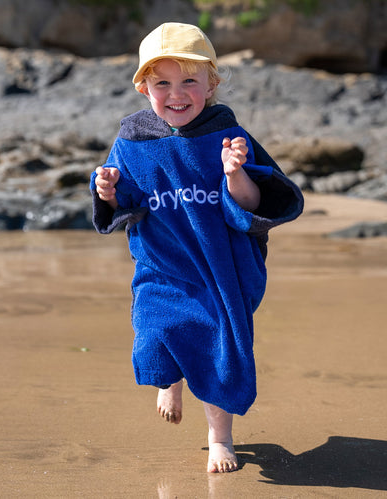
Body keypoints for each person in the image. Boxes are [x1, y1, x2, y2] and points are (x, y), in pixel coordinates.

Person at [90, 22, 304, 473]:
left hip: (219, 269)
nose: (177, 93)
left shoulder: (225, 133)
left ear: (211, 83)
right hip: (163, 266)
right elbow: (124, 206)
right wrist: (108, 191)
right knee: (154, 333)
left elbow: (251, 207)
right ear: (144, 87)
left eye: (190, 80)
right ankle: (169, 380)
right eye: (162, 82)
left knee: (218, 350)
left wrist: (234, 174)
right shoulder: (132, 141)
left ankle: (220, 438)